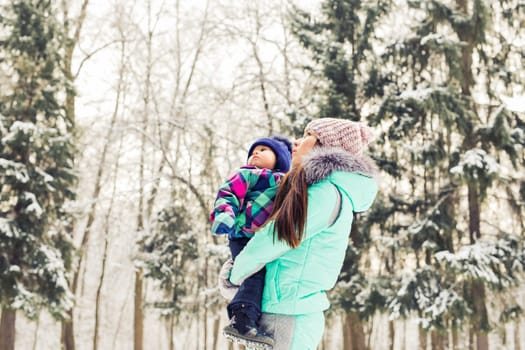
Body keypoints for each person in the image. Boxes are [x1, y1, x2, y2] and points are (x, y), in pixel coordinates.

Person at [219, 118, 379, 349]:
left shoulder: (324, 194)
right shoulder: (319, 191)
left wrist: (234, 276)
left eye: (307, 136)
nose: (296, 141)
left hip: (288, 315)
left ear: (324, 147)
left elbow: (274, 238)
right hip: (282, 310)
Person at [210, 135, 293, 348]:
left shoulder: (286, 182)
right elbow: (227, 195)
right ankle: (242, 320)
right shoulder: (247, 174)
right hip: (242, 235)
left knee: (266, 278)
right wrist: (225, 216)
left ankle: (254, 320)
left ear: (280, 159)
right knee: (253, 275)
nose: (255, 153)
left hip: (268, 238)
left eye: (264, 150)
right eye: (253, 151)